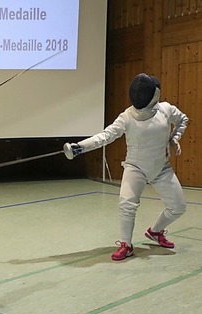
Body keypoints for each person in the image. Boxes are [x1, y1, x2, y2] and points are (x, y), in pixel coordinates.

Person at [63, 73, 188, 261]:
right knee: (127, 204)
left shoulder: (166, 110)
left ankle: (155, 232)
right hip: (135, 167)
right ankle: (126, 244)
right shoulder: (127, 116)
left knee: (178, 207)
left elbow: (183, 119)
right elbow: (105, 136)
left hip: (161, 167)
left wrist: (174, 138)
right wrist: (80, 147)